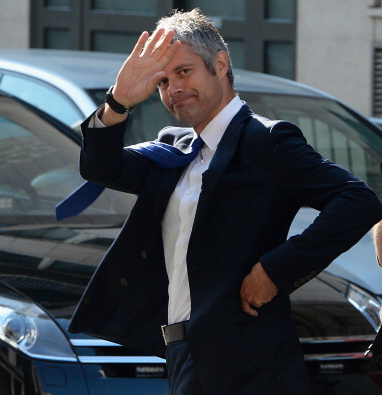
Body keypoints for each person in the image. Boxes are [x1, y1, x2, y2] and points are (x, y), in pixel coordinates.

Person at [66, 8, 382, 395]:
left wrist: (274, 271)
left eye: (184, 72)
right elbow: (102, 169)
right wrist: (118, 101)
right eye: (163, 81)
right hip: (184, 351)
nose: (173, 89)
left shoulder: (265, 140)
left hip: (248, 357)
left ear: (219, 65)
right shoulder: (174, 150)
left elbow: (357, 200)